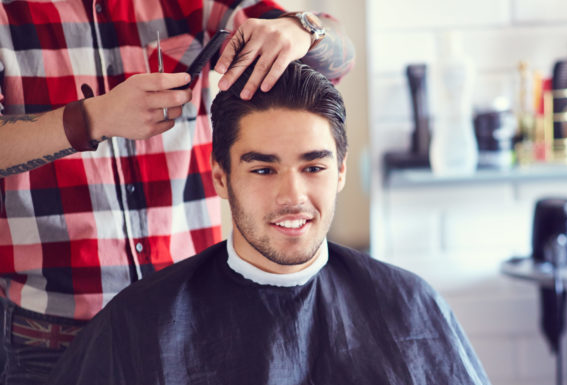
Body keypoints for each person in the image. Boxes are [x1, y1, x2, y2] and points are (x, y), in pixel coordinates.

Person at [47, 61, 491, 385]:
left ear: (339, 173)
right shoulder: (141, 324)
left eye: (313, 168)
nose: (292, 196)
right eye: (263, 169)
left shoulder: (410, 305)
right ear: (220, 176)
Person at [0, 1, 354, 383]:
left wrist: (300, 29)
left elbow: (340, 55)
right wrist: (93, 118)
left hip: (189, 325)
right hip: (52, 341)